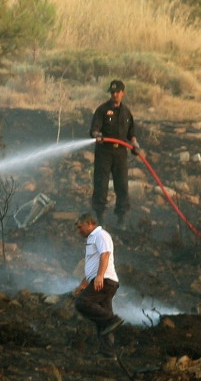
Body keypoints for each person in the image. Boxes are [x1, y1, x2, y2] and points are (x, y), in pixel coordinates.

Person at [90, 79, 143, 229]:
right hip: (104, 153)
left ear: (123, 93)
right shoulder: (102, 110)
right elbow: (94, 129)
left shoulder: (127, 113)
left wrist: (134, 144)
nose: (114, 95)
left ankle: (122, 218)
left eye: (117, 92)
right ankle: (100, 216)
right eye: (112, 92)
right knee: (101, 184)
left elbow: (131, 133)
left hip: (120, 153)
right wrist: (97, 135)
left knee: (122, 185)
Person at [72, 212, 124, 356]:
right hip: (102, 280)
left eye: (80, 227)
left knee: (81, 303)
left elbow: (105, 254)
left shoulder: (101, 235)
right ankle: (107, 352)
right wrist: (84, 284)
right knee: (102, 319)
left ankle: (113, 319)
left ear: (89, 223)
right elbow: (93, 266)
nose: (79, 231)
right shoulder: (92, 238)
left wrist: (100, 276)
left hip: (105, 281)